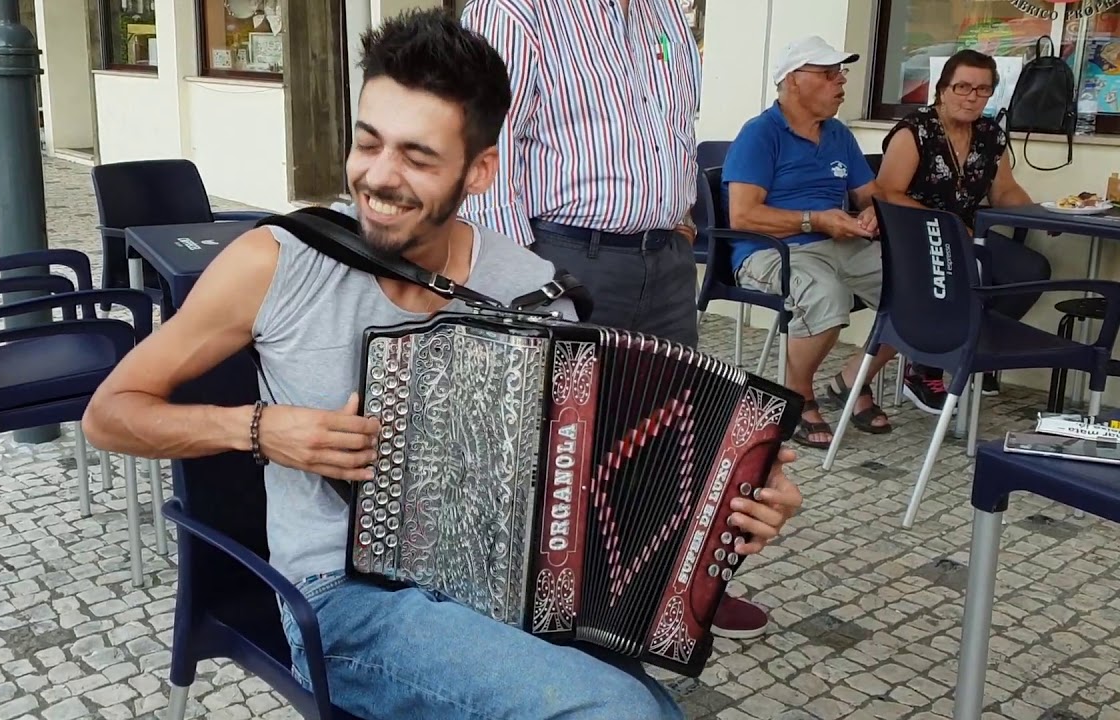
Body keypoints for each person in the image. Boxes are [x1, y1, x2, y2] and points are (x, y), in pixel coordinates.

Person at [82, 9, 802, 720]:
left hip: (508, 591)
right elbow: (110, 414)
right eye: (368, 144)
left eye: (418, 158)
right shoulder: (275, 262)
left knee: (643, 703)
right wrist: (263, 430)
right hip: (344, 601)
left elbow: (591, 480)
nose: (379, 177)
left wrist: (733, 500)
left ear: (482, 169)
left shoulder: (528, 287)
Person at [459, 0, 775, 642]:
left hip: (663, 254)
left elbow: (675, 127)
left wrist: (678, 208)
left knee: (674, 431)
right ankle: (540, 607)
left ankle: (666, 591)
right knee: (556, 438)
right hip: (566, 253)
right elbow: (490, 149)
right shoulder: (516, 13)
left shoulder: (665, 15)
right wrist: (520, 277)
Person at [722, 35, 897, 450]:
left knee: (922, 292)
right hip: (769, 249)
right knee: (826, 295)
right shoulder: (760, 133)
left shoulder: (837, 133)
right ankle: (797, 398)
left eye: (841, 73)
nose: (841, 82)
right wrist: (813, 220)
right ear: (793, 80)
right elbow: (742, 216)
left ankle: (852, 380)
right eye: (828, 73)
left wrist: (875, 211)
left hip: (839, 243)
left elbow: (869, 192)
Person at [877, 49, 1051, 412]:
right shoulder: (916, 130)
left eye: (983, 90)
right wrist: (946, 223)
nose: (972, 97)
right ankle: (928, 363)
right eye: (963, 87)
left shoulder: (989, 134)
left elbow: (1004, 190)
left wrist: (1040, 215)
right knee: (970, 275)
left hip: (968, 236)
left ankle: (967, 349)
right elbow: (887, 192)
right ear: (942, 89)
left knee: (1030, 272)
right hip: (917, 237)